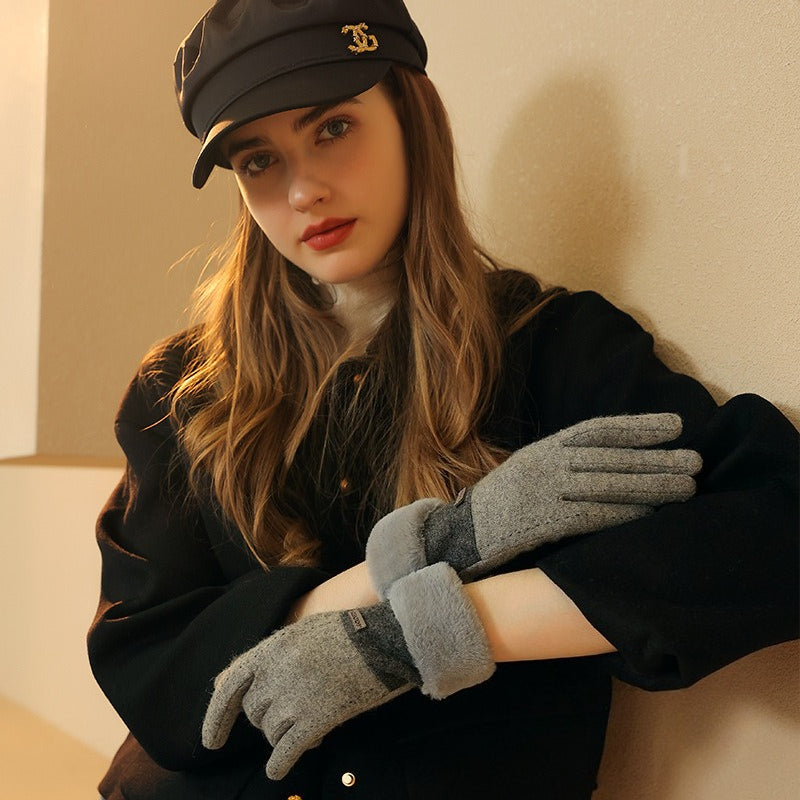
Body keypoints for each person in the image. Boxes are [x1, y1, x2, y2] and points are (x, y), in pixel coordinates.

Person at [88, 1, 799, 798]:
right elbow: (150, 671)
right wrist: (448, 545)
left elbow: (777, 521)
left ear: (411, 115)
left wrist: (421, 637)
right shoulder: (182, 391)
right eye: (259, 160)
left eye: (332, 128)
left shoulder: (550, 346)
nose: (304, 189)